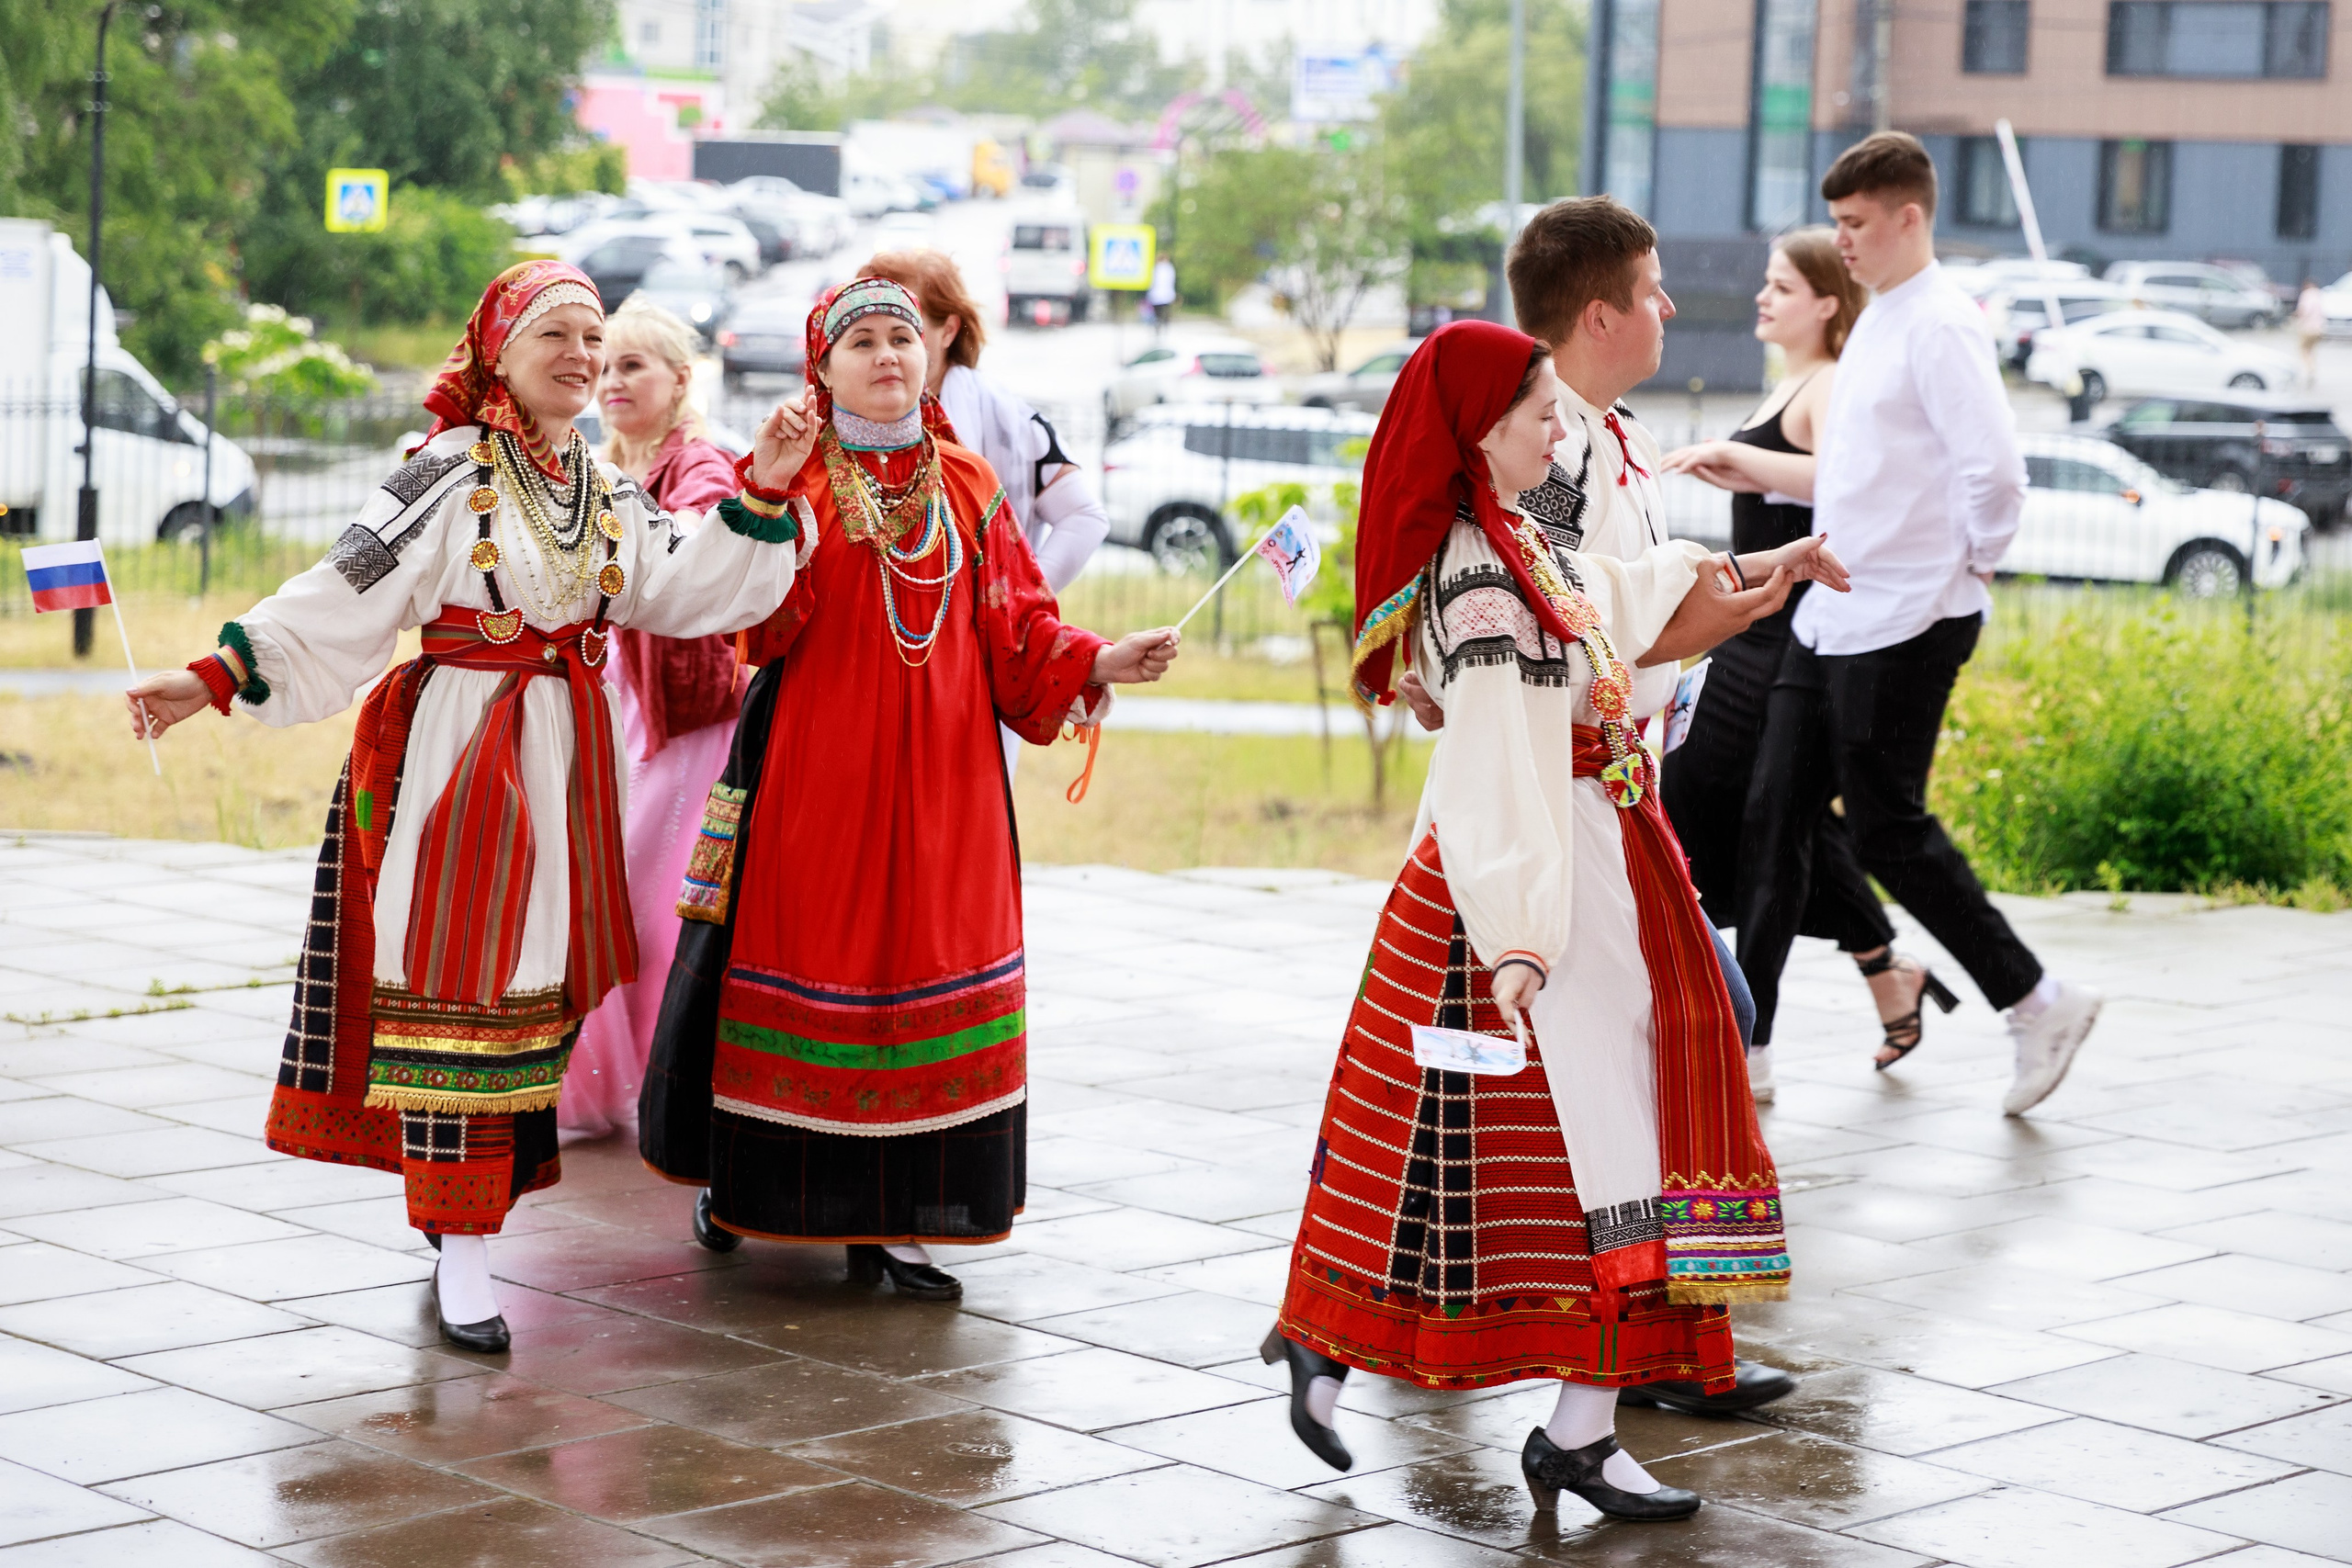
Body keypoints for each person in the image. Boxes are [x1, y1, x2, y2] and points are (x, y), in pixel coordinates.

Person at [122, 261, 808, 1350]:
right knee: (461, 990)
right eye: (558, 336)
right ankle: (465, 1251)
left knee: (533, 994)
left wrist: (764, 491)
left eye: (595, 337)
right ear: (498, 350)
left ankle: (467, 1223)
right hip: (461, 753)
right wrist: (213, 676)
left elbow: (681, 585)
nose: (582, 356)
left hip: (566, 758)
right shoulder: (444, 471)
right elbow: (339, 589)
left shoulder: (600, 485)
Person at [1264, 320, 1842, 1519]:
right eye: (1537, 409)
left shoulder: (1519, 540)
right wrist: (1523, 935)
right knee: (1598, 1160)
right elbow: (1498, 765)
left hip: (1583, 859)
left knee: (1479, 1154)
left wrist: (1764, 572)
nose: (1556, 425)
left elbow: (1623, 606)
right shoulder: (1483, 586)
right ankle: (1525, 1411)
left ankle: (1491, 1394)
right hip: (1535, 883)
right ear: (1480, 429)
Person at [639, 278, 1181, 1302]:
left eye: (902, 339)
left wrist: (1100, 660)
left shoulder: (970, 482)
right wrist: (761, 489)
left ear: (930, 358)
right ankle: (748, 1182)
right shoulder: (793, 477)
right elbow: (748, 625)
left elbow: (1018, 624)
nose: (888, 355)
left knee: (921, 967)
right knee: (805, 956)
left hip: (945, 782)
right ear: (824, 365)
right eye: (864, 342)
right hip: (817, 769)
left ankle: (896, 1223)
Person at [1754, 131, 2101, 1116]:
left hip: (1908, 615)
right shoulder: (1881, 319)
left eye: (1856, 224)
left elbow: (1994, 472)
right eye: (1835, 225)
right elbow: (1868, 469)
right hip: (1833, 612)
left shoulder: (1940, 322)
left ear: (1910, 217)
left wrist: (1969, 563)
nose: (1843, 243)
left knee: (1886, 831)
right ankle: (1745, 1047)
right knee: (1772, 813)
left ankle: (2037, 1000)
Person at [1657, 229, 1960, 1078]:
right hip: (1750, 629)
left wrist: (1733, 456)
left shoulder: (1831, 381)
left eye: (1782, 287)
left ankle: (1739, 1024)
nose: (1763, 297)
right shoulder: (1793, 379)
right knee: (1773, 819)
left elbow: (1843, 481)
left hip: (1788, 638)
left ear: (1828, 302)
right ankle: (1886, 970)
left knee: (1735, 811)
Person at [559, 298, 748, 1140]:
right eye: (604, 366)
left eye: (634, 365)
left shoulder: (698, 463)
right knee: (612, 902)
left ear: (680, 379)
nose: (612, 381)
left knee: (649, 909)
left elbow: (703, 538)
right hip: (628, 717)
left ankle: (661, 1092)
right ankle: (620, 1089)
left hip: (692, 721)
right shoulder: (603, 466)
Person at [856, 249, 1114, 774]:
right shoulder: (840, 418)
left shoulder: (1006, 420)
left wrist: (1008, 604)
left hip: (964, 664)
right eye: (864, 331)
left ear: (948, 330)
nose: (885, 349)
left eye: (904, 328)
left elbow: (1084, 517)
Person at [2296, 277, 2327, 389]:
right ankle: (2312, 369)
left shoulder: (2306, 294)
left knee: (2303, 350)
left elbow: (2304, 310)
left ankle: (2310, 369)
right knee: (2312, 350)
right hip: (2319, 328)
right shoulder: (2319, 294)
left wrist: (2297, 318)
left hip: (2307, 328)